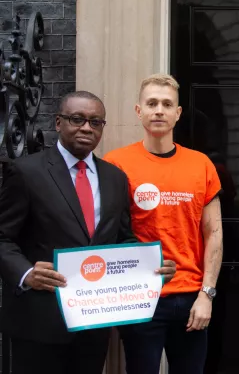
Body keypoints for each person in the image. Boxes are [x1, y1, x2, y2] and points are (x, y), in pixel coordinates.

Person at [0, 91, 176, 374]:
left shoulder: (114, 178)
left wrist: (149, 268)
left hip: (93, 324)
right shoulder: (26, 172)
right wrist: (25, 273)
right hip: (40, 321)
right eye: (77, 119)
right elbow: (3, 237)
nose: (86, 128)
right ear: (58, 123)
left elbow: (122, 239)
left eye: (95, 122)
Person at [103, 73, 223, 374]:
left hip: (189, 297)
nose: (159, 110)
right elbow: (108, 232)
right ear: (138, 110)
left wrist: (206, 295)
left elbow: (214, 233)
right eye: (152, 103)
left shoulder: (201, 164)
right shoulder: (116, 162)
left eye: (167, 104)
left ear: (178, 113)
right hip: (139, 296)